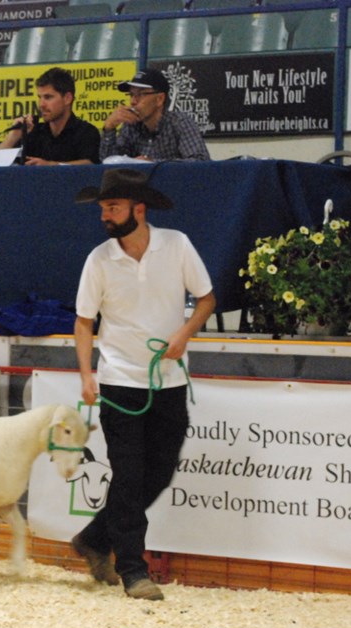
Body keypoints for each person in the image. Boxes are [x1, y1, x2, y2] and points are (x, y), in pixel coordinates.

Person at [70, 168, 215, 600]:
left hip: (168, 381)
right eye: (102, 208)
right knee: (129, 476)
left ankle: (95, 538)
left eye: (112, 208)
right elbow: (83, 321)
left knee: (160, 471)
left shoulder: (177, 245)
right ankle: (134, 569)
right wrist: (86, 375)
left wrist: (184, 333)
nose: (104, 217)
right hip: (119, 382)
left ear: (139, 209)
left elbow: (206, 298)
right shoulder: (99, 259)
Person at [100, 68, 210, 162]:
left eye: (140, 94)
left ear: (159, 99)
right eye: (131, 95)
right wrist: (109, 128)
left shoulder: (179, 122)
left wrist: (153, 164)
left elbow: (200, 161)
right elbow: (109, 166)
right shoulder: (131, 125)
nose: (133, 101)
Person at [0, 66, 101, 165]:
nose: (41, 104)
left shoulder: (86, 132)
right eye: (40, 97)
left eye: (48, 97)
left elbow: (89, 164)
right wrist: (13, 136)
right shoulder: (34, 133)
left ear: (67, 98)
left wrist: (49, 166)